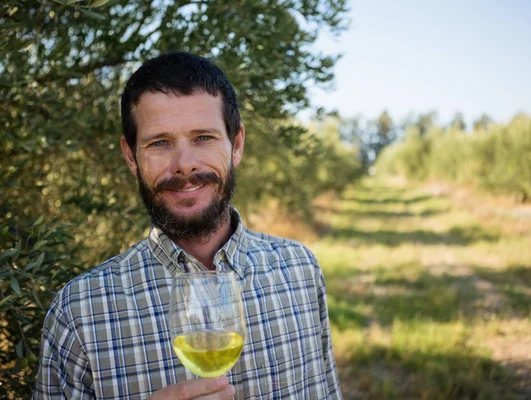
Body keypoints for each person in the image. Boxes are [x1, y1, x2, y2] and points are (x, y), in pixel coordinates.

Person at [33, 52, 342, 400]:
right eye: (160, 143)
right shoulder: (79, 312)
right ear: (131, 157)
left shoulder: (300, 269)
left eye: (203, 138)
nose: (184, 165)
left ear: (236, 145)